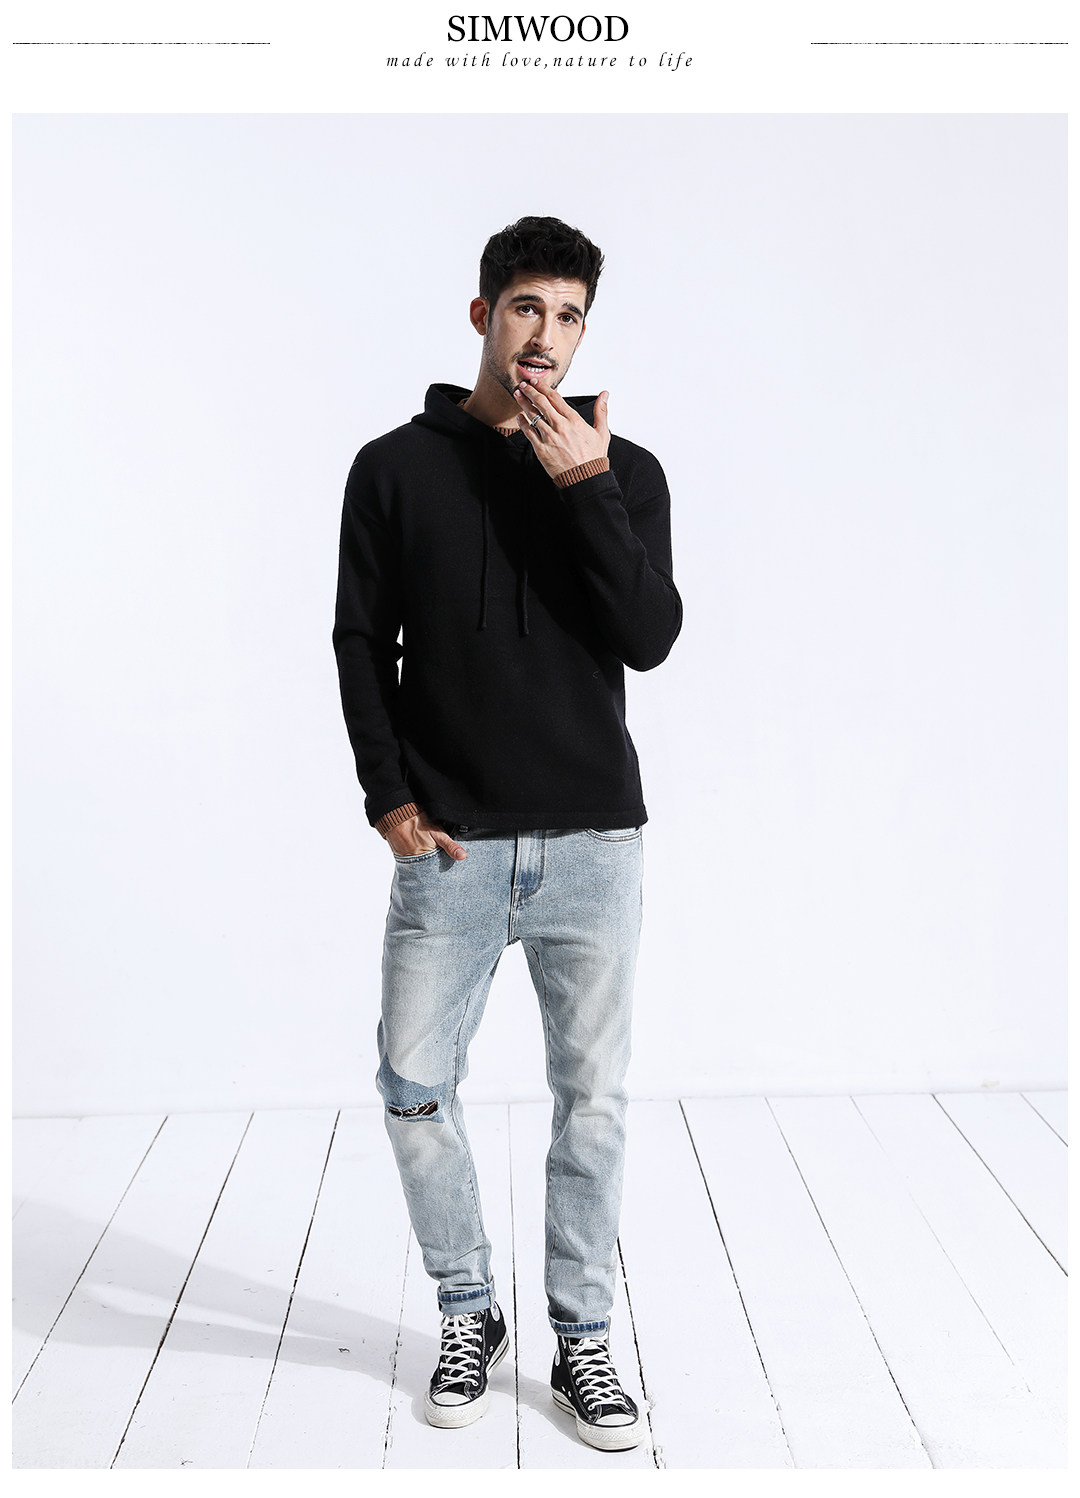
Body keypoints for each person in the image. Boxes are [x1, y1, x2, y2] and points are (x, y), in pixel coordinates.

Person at [333, 216, 682, 1452]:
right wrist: (388, 795)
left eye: (570, 315)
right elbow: (360, 640)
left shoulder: (625, 471)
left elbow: (650, 636)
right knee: (413, 1085)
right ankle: (467, 1306)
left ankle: (582, 1333)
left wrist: (585, 485)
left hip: (594, 844)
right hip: (454, 848)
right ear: (483, 315)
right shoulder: (394, 468)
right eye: (528, 306)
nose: (547, 335)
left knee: (592, 1103)